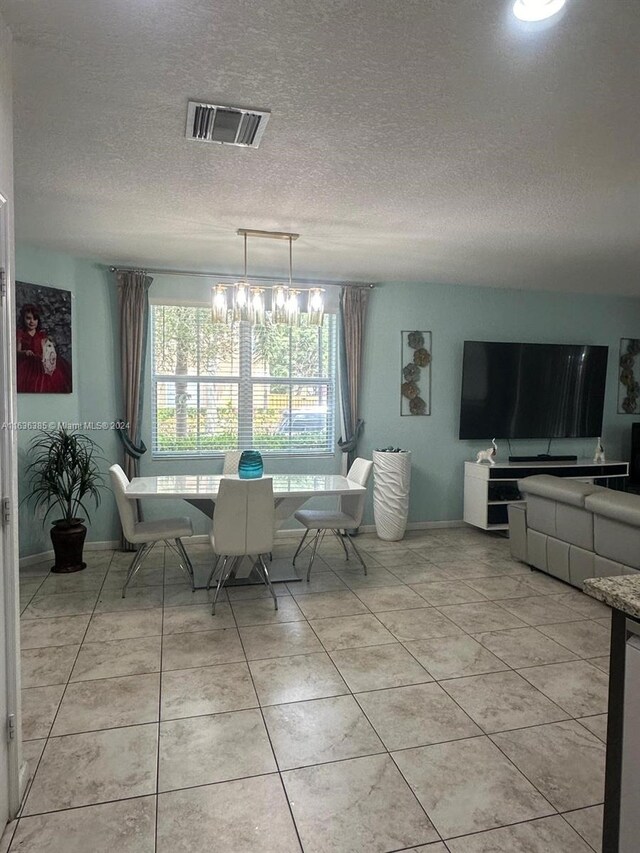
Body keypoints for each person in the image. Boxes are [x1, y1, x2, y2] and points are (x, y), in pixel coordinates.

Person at [16, 303, 72, 393]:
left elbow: (47, 348)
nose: (32, 322)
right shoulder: (21, 334)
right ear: (23, 318)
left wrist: (47, 354)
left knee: (53, 377)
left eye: (35, 319)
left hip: (41, 361)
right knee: (32, 382)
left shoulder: (41, 335)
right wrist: (25, 352)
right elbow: (17, 351)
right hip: (27, 363)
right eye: (28, 318)